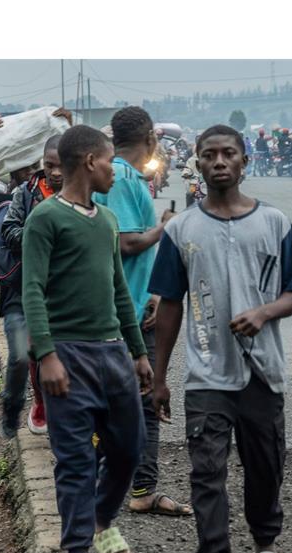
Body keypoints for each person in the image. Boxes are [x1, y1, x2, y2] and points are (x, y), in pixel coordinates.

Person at [149, 124, 292, 553]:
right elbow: (169, 305)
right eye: (210, 155)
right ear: (197, 164)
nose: (220, 161)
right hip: (206, 374)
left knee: (266, 465)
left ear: (244, 161)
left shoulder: (275, 223)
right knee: (206, 471)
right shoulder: (182, 231)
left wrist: (264, 312)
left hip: (263, 371)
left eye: (229, 154)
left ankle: (266, 545)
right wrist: (159, 378)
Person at [21, 124, 153, 553]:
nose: (115, 170)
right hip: (68, 354)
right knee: (75, 457)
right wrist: (47, 355)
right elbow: (31, 289)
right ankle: (77, 550)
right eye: (109, 161)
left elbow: (119, 288)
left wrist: (138, 351)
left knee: (128, 448)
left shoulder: (108, 220)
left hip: (114, 351)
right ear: (88, 163)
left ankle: (101, 518)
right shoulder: (46, 218)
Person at [92, 107, 187, 518]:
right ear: (150, 138)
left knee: (123, 401)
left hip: (129, 301)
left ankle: (114, 483)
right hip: (125, 311)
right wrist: (165, 226)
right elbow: (126, 243)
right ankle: (140, 487)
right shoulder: (123, 178)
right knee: (143, 400)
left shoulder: (119, 175)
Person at [0, 135, 64, 439]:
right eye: (50, 165)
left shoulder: (85, 197)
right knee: (22, 354)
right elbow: (8, 231)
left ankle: (49, 407)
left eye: (62, 166)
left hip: (61, 291)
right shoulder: (25, 194)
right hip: (21, 290)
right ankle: (14, 407)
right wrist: (41, 235)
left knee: (52, 354)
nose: (56, 173)